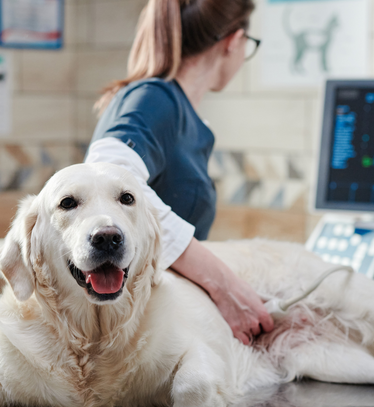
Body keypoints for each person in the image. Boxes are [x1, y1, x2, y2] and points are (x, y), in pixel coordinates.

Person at [85, 0, 273, 345]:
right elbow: (105, 175)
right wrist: (225, 286)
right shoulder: (155, 98)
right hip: (135, 336)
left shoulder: (175, 109)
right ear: (234, 41)